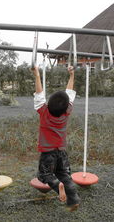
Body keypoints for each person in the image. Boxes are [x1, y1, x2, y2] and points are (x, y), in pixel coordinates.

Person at [32, 65, 80, 211]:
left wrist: (37, 75)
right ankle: (74, 201)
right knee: (64, 174)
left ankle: (57, 185)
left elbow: (39, 93)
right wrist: (71, 75)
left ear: (49, 104)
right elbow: (70, 93)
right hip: (61, 151)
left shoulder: (44, 111)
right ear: (66, 107)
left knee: (44, 174)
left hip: (48, 152)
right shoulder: (67, 112)